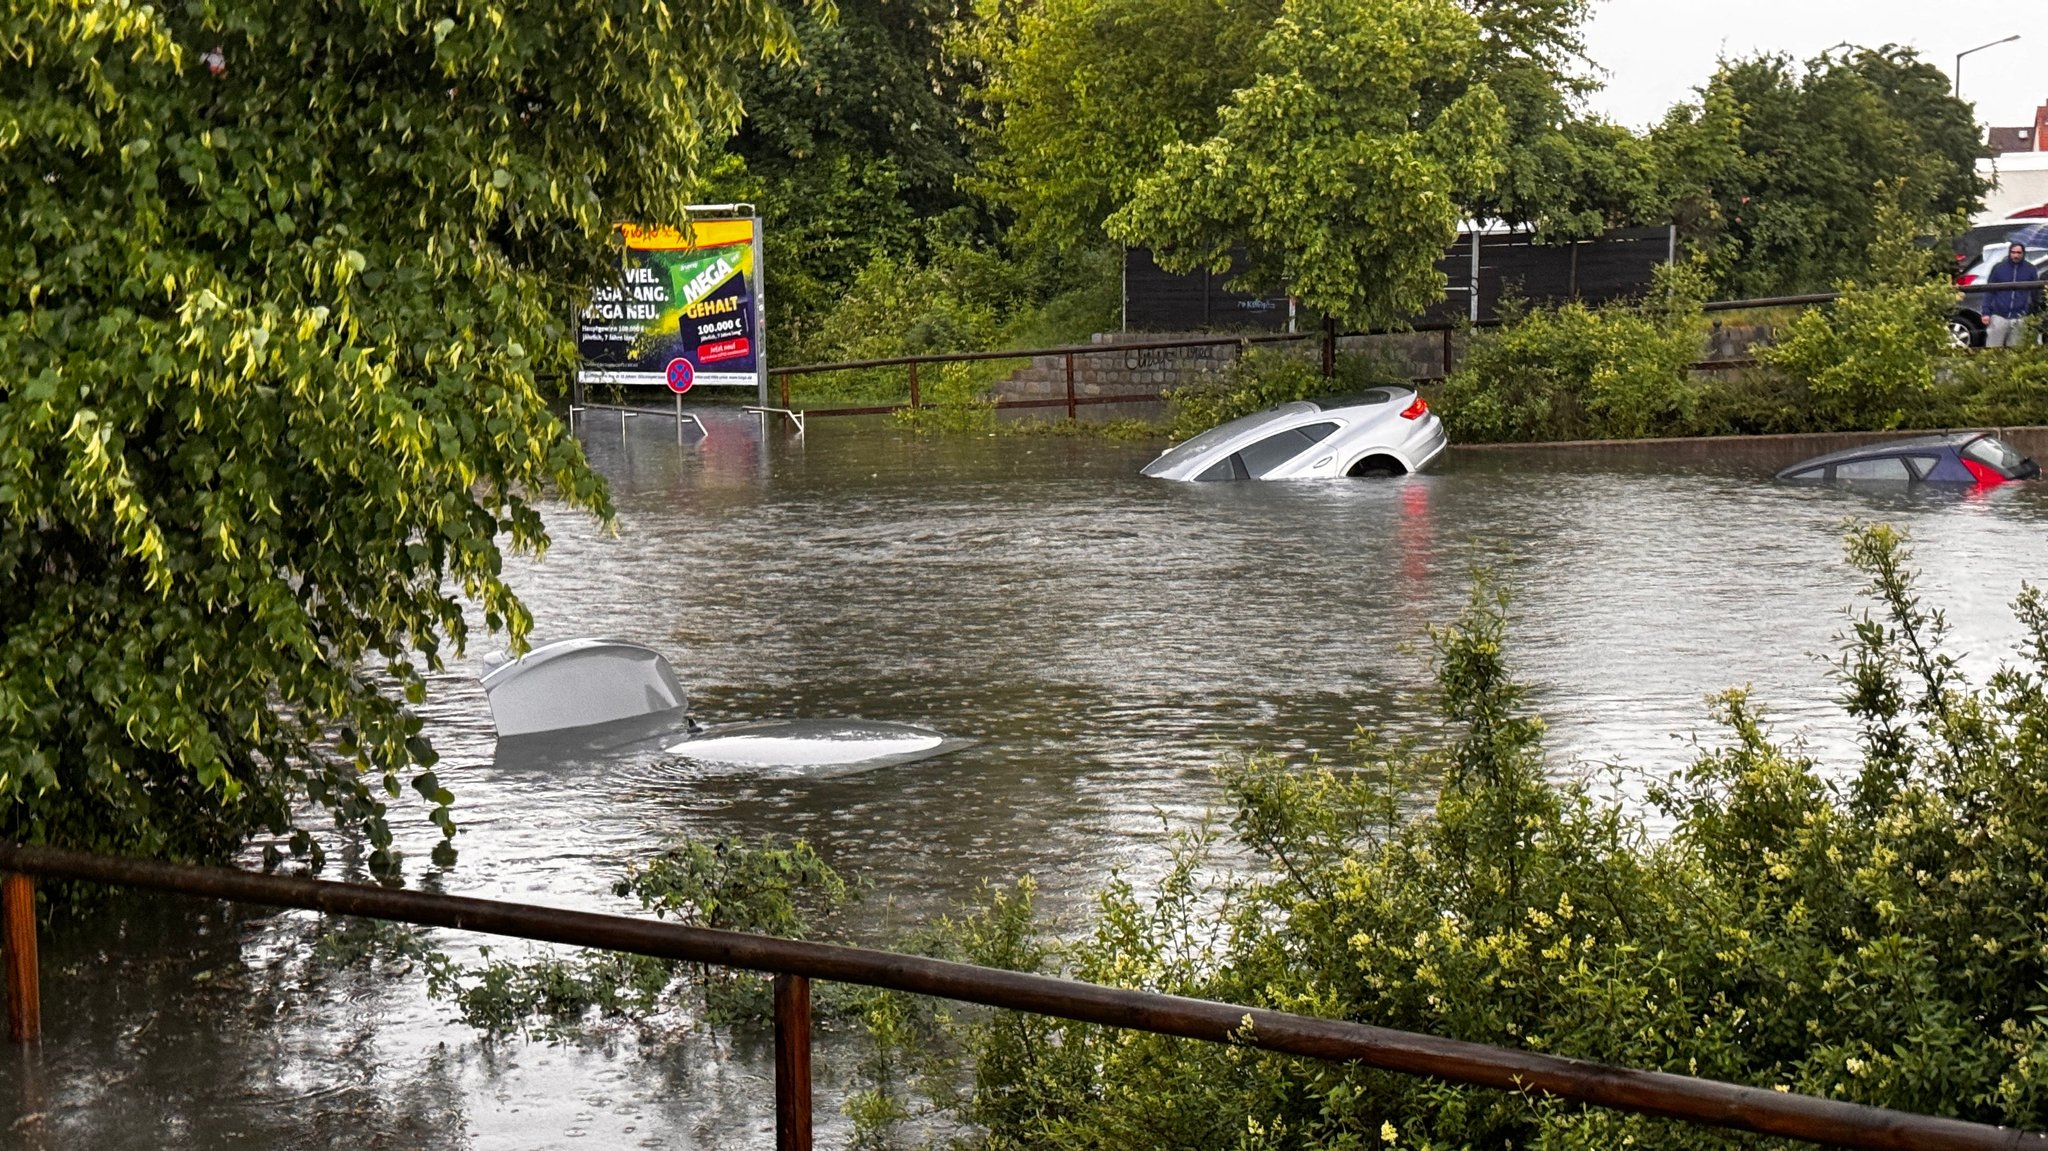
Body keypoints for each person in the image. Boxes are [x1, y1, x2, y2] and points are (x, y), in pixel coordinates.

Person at [1981, 242, 2043, 348]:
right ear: (2009, 253)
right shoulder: (1999, 268)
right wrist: (1986, 312)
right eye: (2013, 252)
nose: (2016, 255)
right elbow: (1989, 291)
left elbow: (2035, 294)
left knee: (2016, 351)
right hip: (1999, 315)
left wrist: (2035, 314)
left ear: (2023, 254)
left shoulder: (2030, 269)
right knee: (1993, 349)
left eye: (2018, 253)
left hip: (2020, 316)